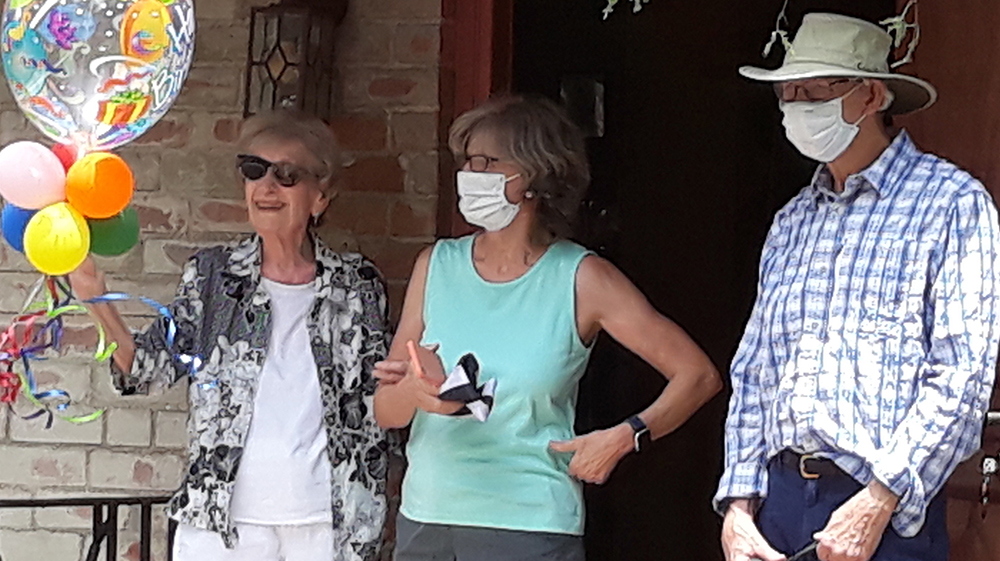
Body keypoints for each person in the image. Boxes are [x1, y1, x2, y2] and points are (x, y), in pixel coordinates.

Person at [373, 96, 722, 561]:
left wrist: (626, 435)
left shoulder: (582, 278)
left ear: (536, 175)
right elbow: (386, 411)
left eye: (487, 162)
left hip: (530, 526)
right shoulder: (436, 265)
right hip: (427, 521)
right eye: (467, 161)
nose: (469, 174)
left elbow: (698, 375)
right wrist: (417, 393)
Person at [716, 12, 1000, 561]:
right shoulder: (792, 221)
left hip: (887, 508)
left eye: (812, 90)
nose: (794, 106)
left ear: (871, 96)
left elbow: (962, 376)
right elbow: (755, 372)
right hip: (779, 502)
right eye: (786, 94)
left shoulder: (951, 205)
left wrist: (880, 498)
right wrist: (738, 508)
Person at [68, 111, 391, 561]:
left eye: (287, 175)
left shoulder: (357, 284)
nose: (267, 187)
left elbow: (380, 400)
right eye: (254, 170)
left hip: (330, 520)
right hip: (222, 521)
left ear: (321, 196)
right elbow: (147, 370)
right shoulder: (213, 274)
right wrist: (96, 300)